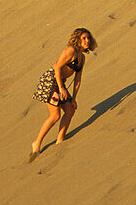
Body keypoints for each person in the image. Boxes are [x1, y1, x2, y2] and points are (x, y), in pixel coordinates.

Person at [30, 27, 97, 161]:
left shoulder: (82, 58)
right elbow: (57, 67)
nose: (87, 40)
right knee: (55, 115)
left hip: (61, 83)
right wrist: (61, 88)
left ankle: (60, 140)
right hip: (50, 81)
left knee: (70, 109)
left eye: (88, 38)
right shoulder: (70, 51)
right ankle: (36, 143)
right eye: (83, 38)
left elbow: (78, 78)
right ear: (77, 39)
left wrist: (74, 98)